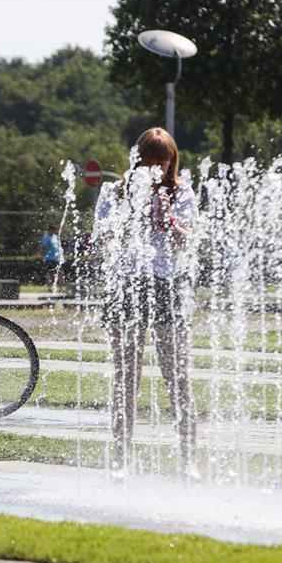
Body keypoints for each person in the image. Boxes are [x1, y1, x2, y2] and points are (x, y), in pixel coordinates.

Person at [94, 127, 199, 478]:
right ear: (138, 160)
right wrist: (131, 216)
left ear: (171, 162)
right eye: (150, 162)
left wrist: (167, 218)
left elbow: (188, 240)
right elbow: (102, 235)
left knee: (177, 376)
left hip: (166, 283)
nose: (157, 171)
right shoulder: (116, 191)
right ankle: (122, 459)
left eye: (163, 163)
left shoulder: (181, 193)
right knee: (127, 377)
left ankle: (189, 460)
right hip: (127, 283)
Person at [39, 224, 64, 290]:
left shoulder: (56, 237)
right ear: (50, 230)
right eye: (53, 230)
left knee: (60, 273)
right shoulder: (46, 237)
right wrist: (42, 254)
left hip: (56, 259)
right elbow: (43, 247)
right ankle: (49, 287)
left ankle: (60, 287)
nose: (54, 231)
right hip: (49, 258)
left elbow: (58, 247)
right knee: (49, 273)